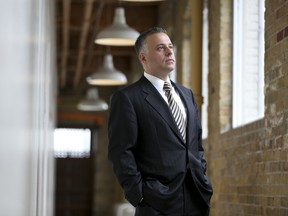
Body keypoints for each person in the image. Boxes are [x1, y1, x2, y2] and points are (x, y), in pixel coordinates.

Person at [108, 27, 213, 216]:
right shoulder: (127, 98)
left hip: (196, 198)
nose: (169, 51)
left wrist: (202, 176)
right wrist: (139, 194)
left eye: (170, 46)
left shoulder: (187, 95)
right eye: (160, 48)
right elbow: (121, 152)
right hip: (156, 202)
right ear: (143, 58)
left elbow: (195, 144)